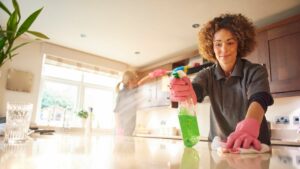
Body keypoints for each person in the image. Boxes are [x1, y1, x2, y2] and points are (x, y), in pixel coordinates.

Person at [170, 13, 274, 150]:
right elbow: (195, 90)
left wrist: (250, 125)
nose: (224, 49)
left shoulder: (255, 71)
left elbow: (260, 99)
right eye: (218, 44)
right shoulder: (206, 75)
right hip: (219, 148)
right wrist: (186, 91)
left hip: (253, 146)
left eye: (230, 43)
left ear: (239, 44)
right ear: (211, 47)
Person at [114, 69, 168, 136]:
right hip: (122, 131)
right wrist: (119, 131)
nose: (136, 83)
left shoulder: (132, 89)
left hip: (130, 131)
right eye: (134, 81)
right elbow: (116, 112)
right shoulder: (122, 94)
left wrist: (152, 75)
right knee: (123, 146)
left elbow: (141, 82)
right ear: (129, 82)